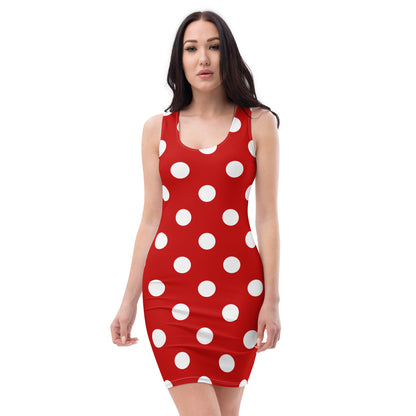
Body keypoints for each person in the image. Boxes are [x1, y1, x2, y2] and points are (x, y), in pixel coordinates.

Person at [110, 10, 281, 416]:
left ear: (228, 54)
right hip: (169, 293)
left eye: (213, 46)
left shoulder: (258, 124)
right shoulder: (157, 129)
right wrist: (128, 301)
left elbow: (267, 218)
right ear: (180, 59)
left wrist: (272, 299)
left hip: (239, 293)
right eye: (191, 48)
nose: (203, 58)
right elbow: (151, 219)